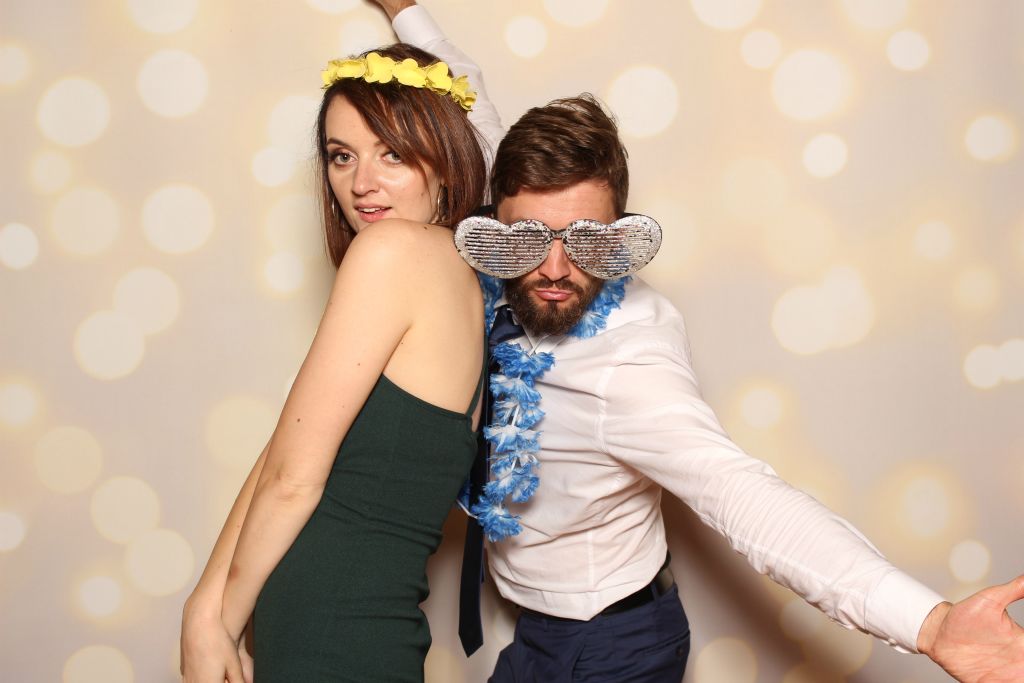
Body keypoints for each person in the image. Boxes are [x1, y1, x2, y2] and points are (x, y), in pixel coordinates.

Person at [375, 3, 1024, 682]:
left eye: (587, 239)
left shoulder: (630, 361)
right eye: (530, 236)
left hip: (614, 646)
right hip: (536, 631)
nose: (557, 268)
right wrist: (406, 12)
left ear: (619, 231)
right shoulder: (500, 239)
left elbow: (742, 494)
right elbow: (475, 107)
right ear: (496, 216)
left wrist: (930, 622)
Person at [179, 42, 490, 682]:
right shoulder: (452, 273)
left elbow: (294, 480)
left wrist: (219, 624)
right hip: (341, 635)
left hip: (335, 641)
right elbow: (286, 451)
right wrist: (204, 609)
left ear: (447, 162)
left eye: (393, 154)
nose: (361, 182)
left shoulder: (393, 254)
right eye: (342, 156)